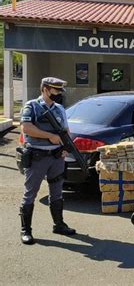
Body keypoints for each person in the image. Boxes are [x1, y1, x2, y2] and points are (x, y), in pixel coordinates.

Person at [19, 77, 76, 245]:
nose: (59, 94)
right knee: (31, 193)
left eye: (60, 90)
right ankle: (26, 230)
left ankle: (59, 224)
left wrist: (66, 147)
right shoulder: (32, 106)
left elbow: (65, 130)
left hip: (56, 156)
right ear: (45, 89)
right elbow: (26, 128)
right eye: (55, 90)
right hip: (37, 156)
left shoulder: (59, 109)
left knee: (57, 191)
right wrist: (49, 136)